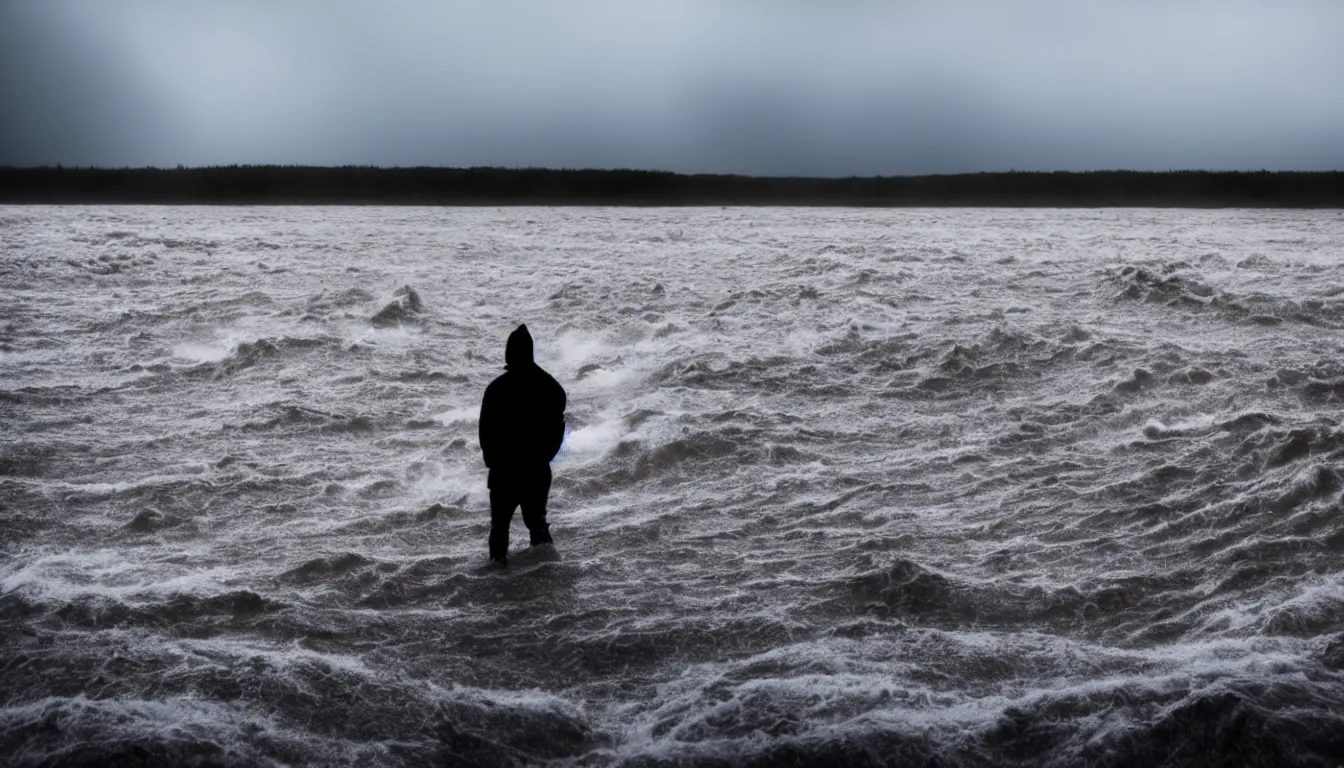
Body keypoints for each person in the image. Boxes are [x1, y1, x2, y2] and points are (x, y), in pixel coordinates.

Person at [478, 324, 567, 567]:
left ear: (510, 353)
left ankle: (497, 579)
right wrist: (543, 458)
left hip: (504, 473)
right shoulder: (551, 387)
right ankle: (547, 572)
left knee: (499, 531)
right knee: (538, 526)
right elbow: (558, 429)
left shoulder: (495, 390)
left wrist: (493, 462)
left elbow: (484, 433)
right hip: (536, 472)